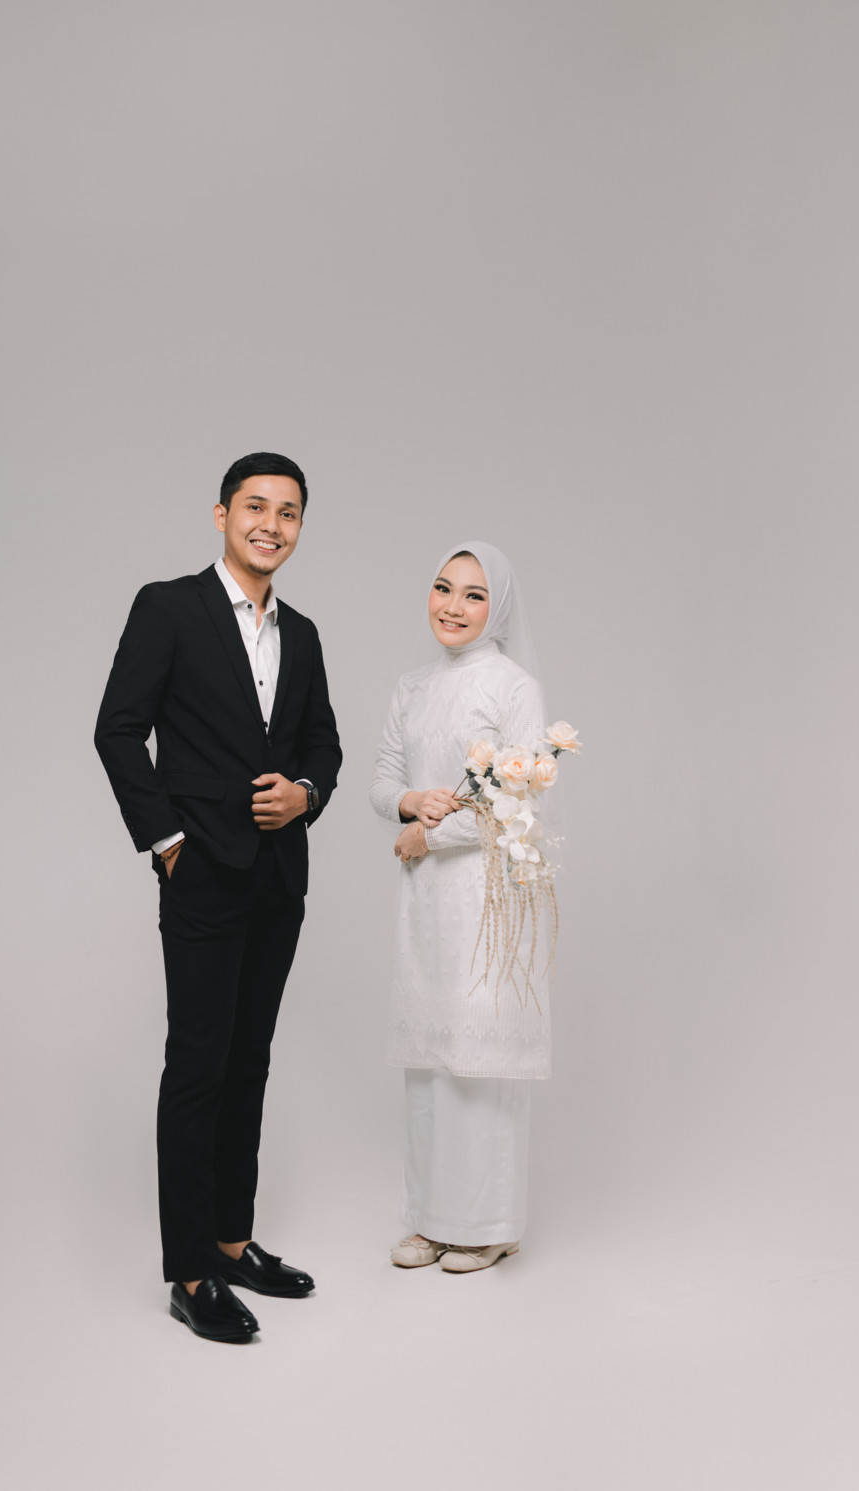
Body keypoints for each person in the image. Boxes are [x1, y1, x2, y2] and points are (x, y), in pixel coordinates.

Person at [95, 452, 342, 1342]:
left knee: (251, 1060)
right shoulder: (169, 607)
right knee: (199, 1064)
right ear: (221, 514)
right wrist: (167, 843)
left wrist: (305, 793)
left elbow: (323, 743)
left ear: (300, 526)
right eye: (255, 507)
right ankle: (191, 1270)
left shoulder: (302, 633)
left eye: (288, 511)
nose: (271, 524)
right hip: (201, 871)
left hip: (279, 877)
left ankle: (234, 1242)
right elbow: (117, 728)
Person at [370, 541, 553, 1272]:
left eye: (474, 595)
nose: (453, 606)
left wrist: (428, 836)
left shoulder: (512, 686)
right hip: (425, 900)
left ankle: (488, 1223)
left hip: (487, 892)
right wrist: (411, 801)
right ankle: (432, 1219)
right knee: (432, 1058)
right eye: (443, 588)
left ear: (496, 608)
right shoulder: (412, 686)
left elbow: (519, 799)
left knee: (481, 1056)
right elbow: (384, 777)